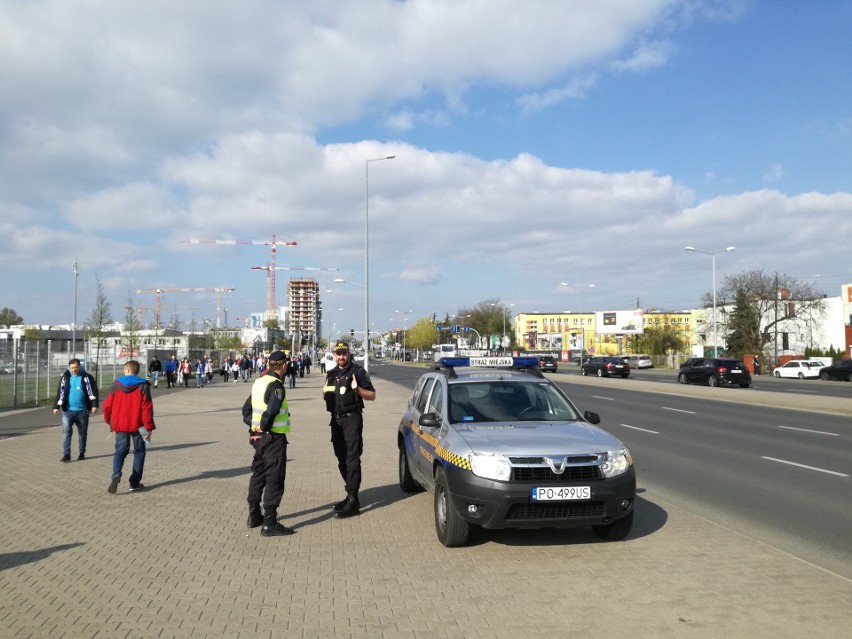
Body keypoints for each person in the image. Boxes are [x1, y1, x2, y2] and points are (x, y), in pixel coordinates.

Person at [242, 350, 294, 536]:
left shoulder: (259, 382)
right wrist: (263, 428)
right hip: (273, 438)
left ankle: (254, 514)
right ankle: (270, 522)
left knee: (258, 475)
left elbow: (246, 410)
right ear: (282, 365)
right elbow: (271, 412)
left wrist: (254, 428)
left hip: (259, 440)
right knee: (274, 477)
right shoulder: (276, 386)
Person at [322, 341, 376, 518]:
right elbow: (328, 396)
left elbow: (372, 395)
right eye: (338, 354)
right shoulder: (330, 374)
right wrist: (324, 393)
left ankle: (353, 498)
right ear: (334, 355)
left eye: (344, 353)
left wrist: (357, 389)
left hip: (352, 419)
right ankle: (350, 494)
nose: (341, 357)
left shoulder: (358, 372)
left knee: (352, 459)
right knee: (341, 458)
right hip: (336, 422)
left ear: (349, 354)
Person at [102, 360, 156, 493]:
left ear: (126, 370)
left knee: (120, 451)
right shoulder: (143, 385)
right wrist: (148, 427)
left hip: (120, 424)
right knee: (139, 452)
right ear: (137, 371)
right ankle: (134, 482)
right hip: (138, 425)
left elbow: (107, 405)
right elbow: (146, 408)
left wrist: (110, 421)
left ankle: (116, 474)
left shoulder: (115, 385)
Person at [53, 358, 99, 462]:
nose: (74, 370)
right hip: (68, 411)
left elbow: (94, 392)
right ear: (69, 367)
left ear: (80, 367)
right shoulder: (65, 377)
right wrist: (56, 406)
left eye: (76, 367)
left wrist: (94, 405)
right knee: (66, 432)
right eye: (72, 368)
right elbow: (60, 393)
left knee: (82, 433)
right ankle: (66, 454)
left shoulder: (87, 377)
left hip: (82, 411)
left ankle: (82, 452)